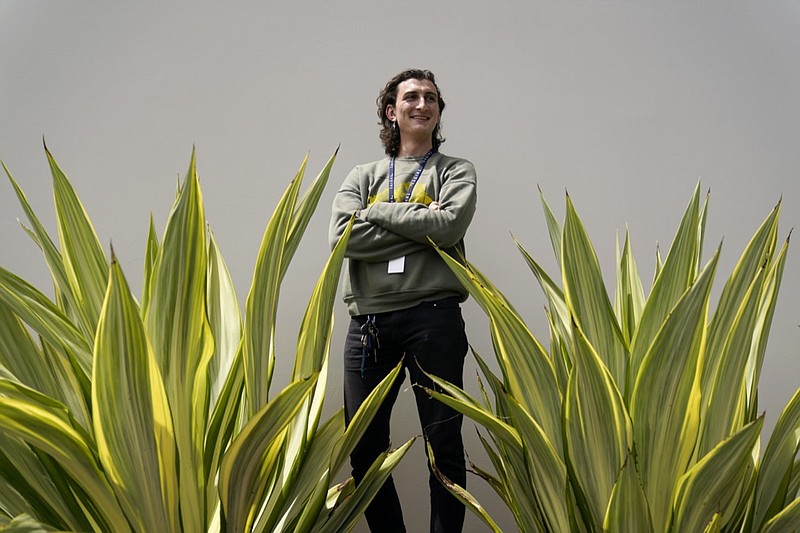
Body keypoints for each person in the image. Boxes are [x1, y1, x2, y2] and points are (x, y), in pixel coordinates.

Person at [329, 68, 477, 533]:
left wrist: (376, 212)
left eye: (431, 97)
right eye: (411, 96)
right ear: (392, 112)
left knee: (444, 443)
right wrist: (420, 219)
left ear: (437, 112)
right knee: (365, 447)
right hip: (369, 324)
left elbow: (449, 226)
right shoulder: (362, 174)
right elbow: (344, 239)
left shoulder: (456, 171)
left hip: (433, 319)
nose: (423, 103)